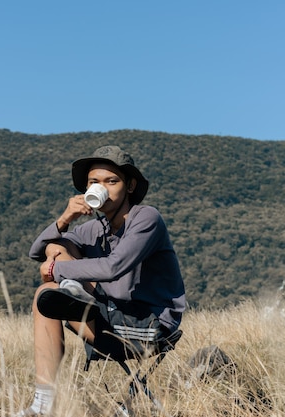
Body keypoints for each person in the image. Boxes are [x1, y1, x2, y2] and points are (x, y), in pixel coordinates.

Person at [17, 145, 186, 417]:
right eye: (94, 182)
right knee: (48, 277)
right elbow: (36, 251)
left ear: (130, 186)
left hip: (149, 326)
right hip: (108, 318)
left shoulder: (146, 218)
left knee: (53, 280)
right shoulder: (95, 229)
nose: (102, 188)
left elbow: (113, 268)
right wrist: (65, 218)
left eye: (111, 181)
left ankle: (72, 293)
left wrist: (58, 271)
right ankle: (43, 405)